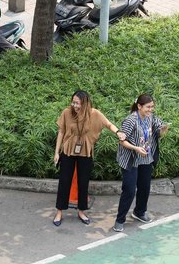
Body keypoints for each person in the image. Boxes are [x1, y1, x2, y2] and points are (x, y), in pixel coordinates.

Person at [53, 90, 125, 226]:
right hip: (68, 151)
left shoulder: (94, 114)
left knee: (83, 182)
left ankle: (81, 211)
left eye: (77, 103)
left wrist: (118, 132)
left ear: (85, 103)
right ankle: (59, 212)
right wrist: (57, 152)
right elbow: (61, 132)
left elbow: (108, 124)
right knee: (64, 182)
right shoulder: (66, 113)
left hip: (85, 153)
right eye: (73, 102)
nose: (74, 105)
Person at [113, 94, 168, 233]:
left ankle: (139, 212)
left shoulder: (151, 118)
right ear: (139, 106)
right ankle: (120, 220)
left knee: (145, 187)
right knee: (129, 189)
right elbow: (122, 140)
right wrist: (136, 148)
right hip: (131, 158)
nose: (150, 110)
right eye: (148, 107)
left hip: (146, 157)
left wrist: (163, 131)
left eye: (152, 107)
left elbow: (159, 133)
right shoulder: (130, 120)